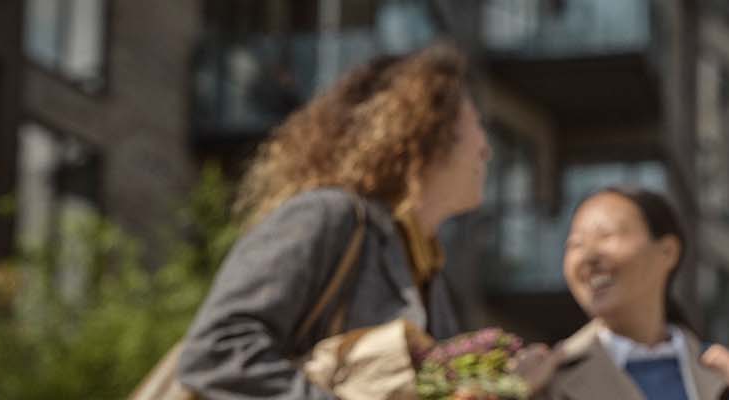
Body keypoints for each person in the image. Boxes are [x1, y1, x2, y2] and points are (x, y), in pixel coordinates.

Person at [176, 42, 492, 399]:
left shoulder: (427, 269)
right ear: (428, 133)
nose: (486, 149)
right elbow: (215, 353)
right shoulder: (328, 216)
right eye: (477, 125)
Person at [535, 187, 729, 400]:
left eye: (606, 235)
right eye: (575, 245)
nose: (588, 257)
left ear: (667, 252)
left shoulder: (724, 378)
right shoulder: (545, 381)